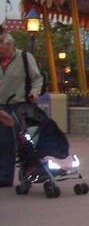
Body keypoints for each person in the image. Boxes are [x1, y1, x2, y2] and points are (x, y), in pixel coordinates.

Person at [0, 33, 43, 187]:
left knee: (23, 141)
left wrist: (34, 92)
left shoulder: (24, 57)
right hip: (1, 106)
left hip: (20, 105)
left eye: (2, 48)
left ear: (10, 46)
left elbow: (37, 78)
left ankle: (28, 173)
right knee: (3, 142)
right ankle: (5, 177)